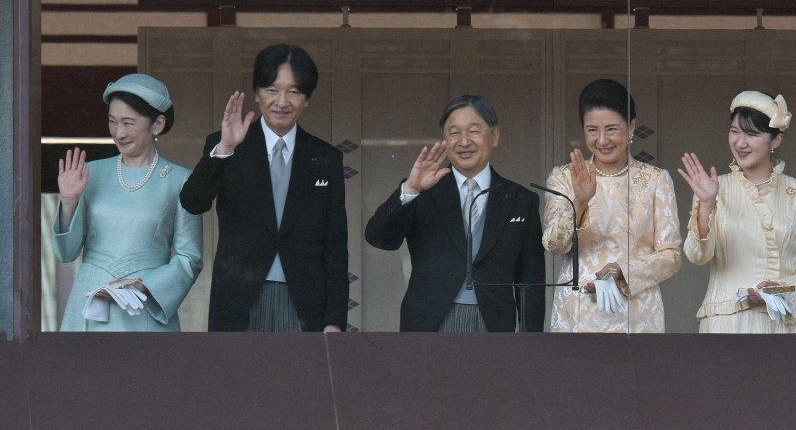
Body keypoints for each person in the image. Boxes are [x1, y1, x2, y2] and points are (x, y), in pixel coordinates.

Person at [180, 44, 348, 332]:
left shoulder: (325, 158)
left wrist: (334, 320)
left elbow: (335, 244)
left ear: (307, 98)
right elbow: (193, 202)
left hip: (304, 302)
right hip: (238, 299)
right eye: (271, 90)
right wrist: (225, 149)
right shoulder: (227, 145)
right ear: (256, 93)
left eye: (293, 92)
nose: (282, 101)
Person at [364, 95, 545, 332]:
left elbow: (530, 280)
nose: (464, 141)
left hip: (494, 324)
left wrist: (531, 340)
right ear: (445, 139)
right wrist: (410, 190)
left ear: (495, 136)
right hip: (429, 322)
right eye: (454, 133)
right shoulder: (422, 191)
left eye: (474, 131)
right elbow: (378, 238)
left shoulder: (521, 200)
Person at [53, 73, 202, 331]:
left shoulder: (180, 181)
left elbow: (190, 258)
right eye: (112, 122)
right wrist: (68, 201)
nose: (119, 133)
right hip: (90, 302)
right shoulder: (90, 173)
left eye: (128, 123)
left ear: (157, 124)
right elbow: (66, 253)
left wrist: (143, 286)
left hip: (142, 305)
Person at [679, 91, 796, 333]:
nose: (740, 143)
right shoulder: (713, 189)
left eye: (752, 134)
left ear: (776, 140)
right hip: (725, 323)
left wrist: (783, 290)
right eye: (734, 131)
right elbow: (697, 255)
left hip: (784, 323)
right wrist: (707, 204)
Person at [542, 79, 681, 333]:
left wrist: (624, 271)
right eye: (592, 130)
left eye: (612, 129)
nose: (602, 140)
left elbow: (671, 256)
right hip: (578, 312)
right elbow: (554, 244)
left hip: (637, 313)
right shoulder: (564, 177)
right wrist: (580, 202)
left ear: (631, 127)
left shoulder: (655, 180)